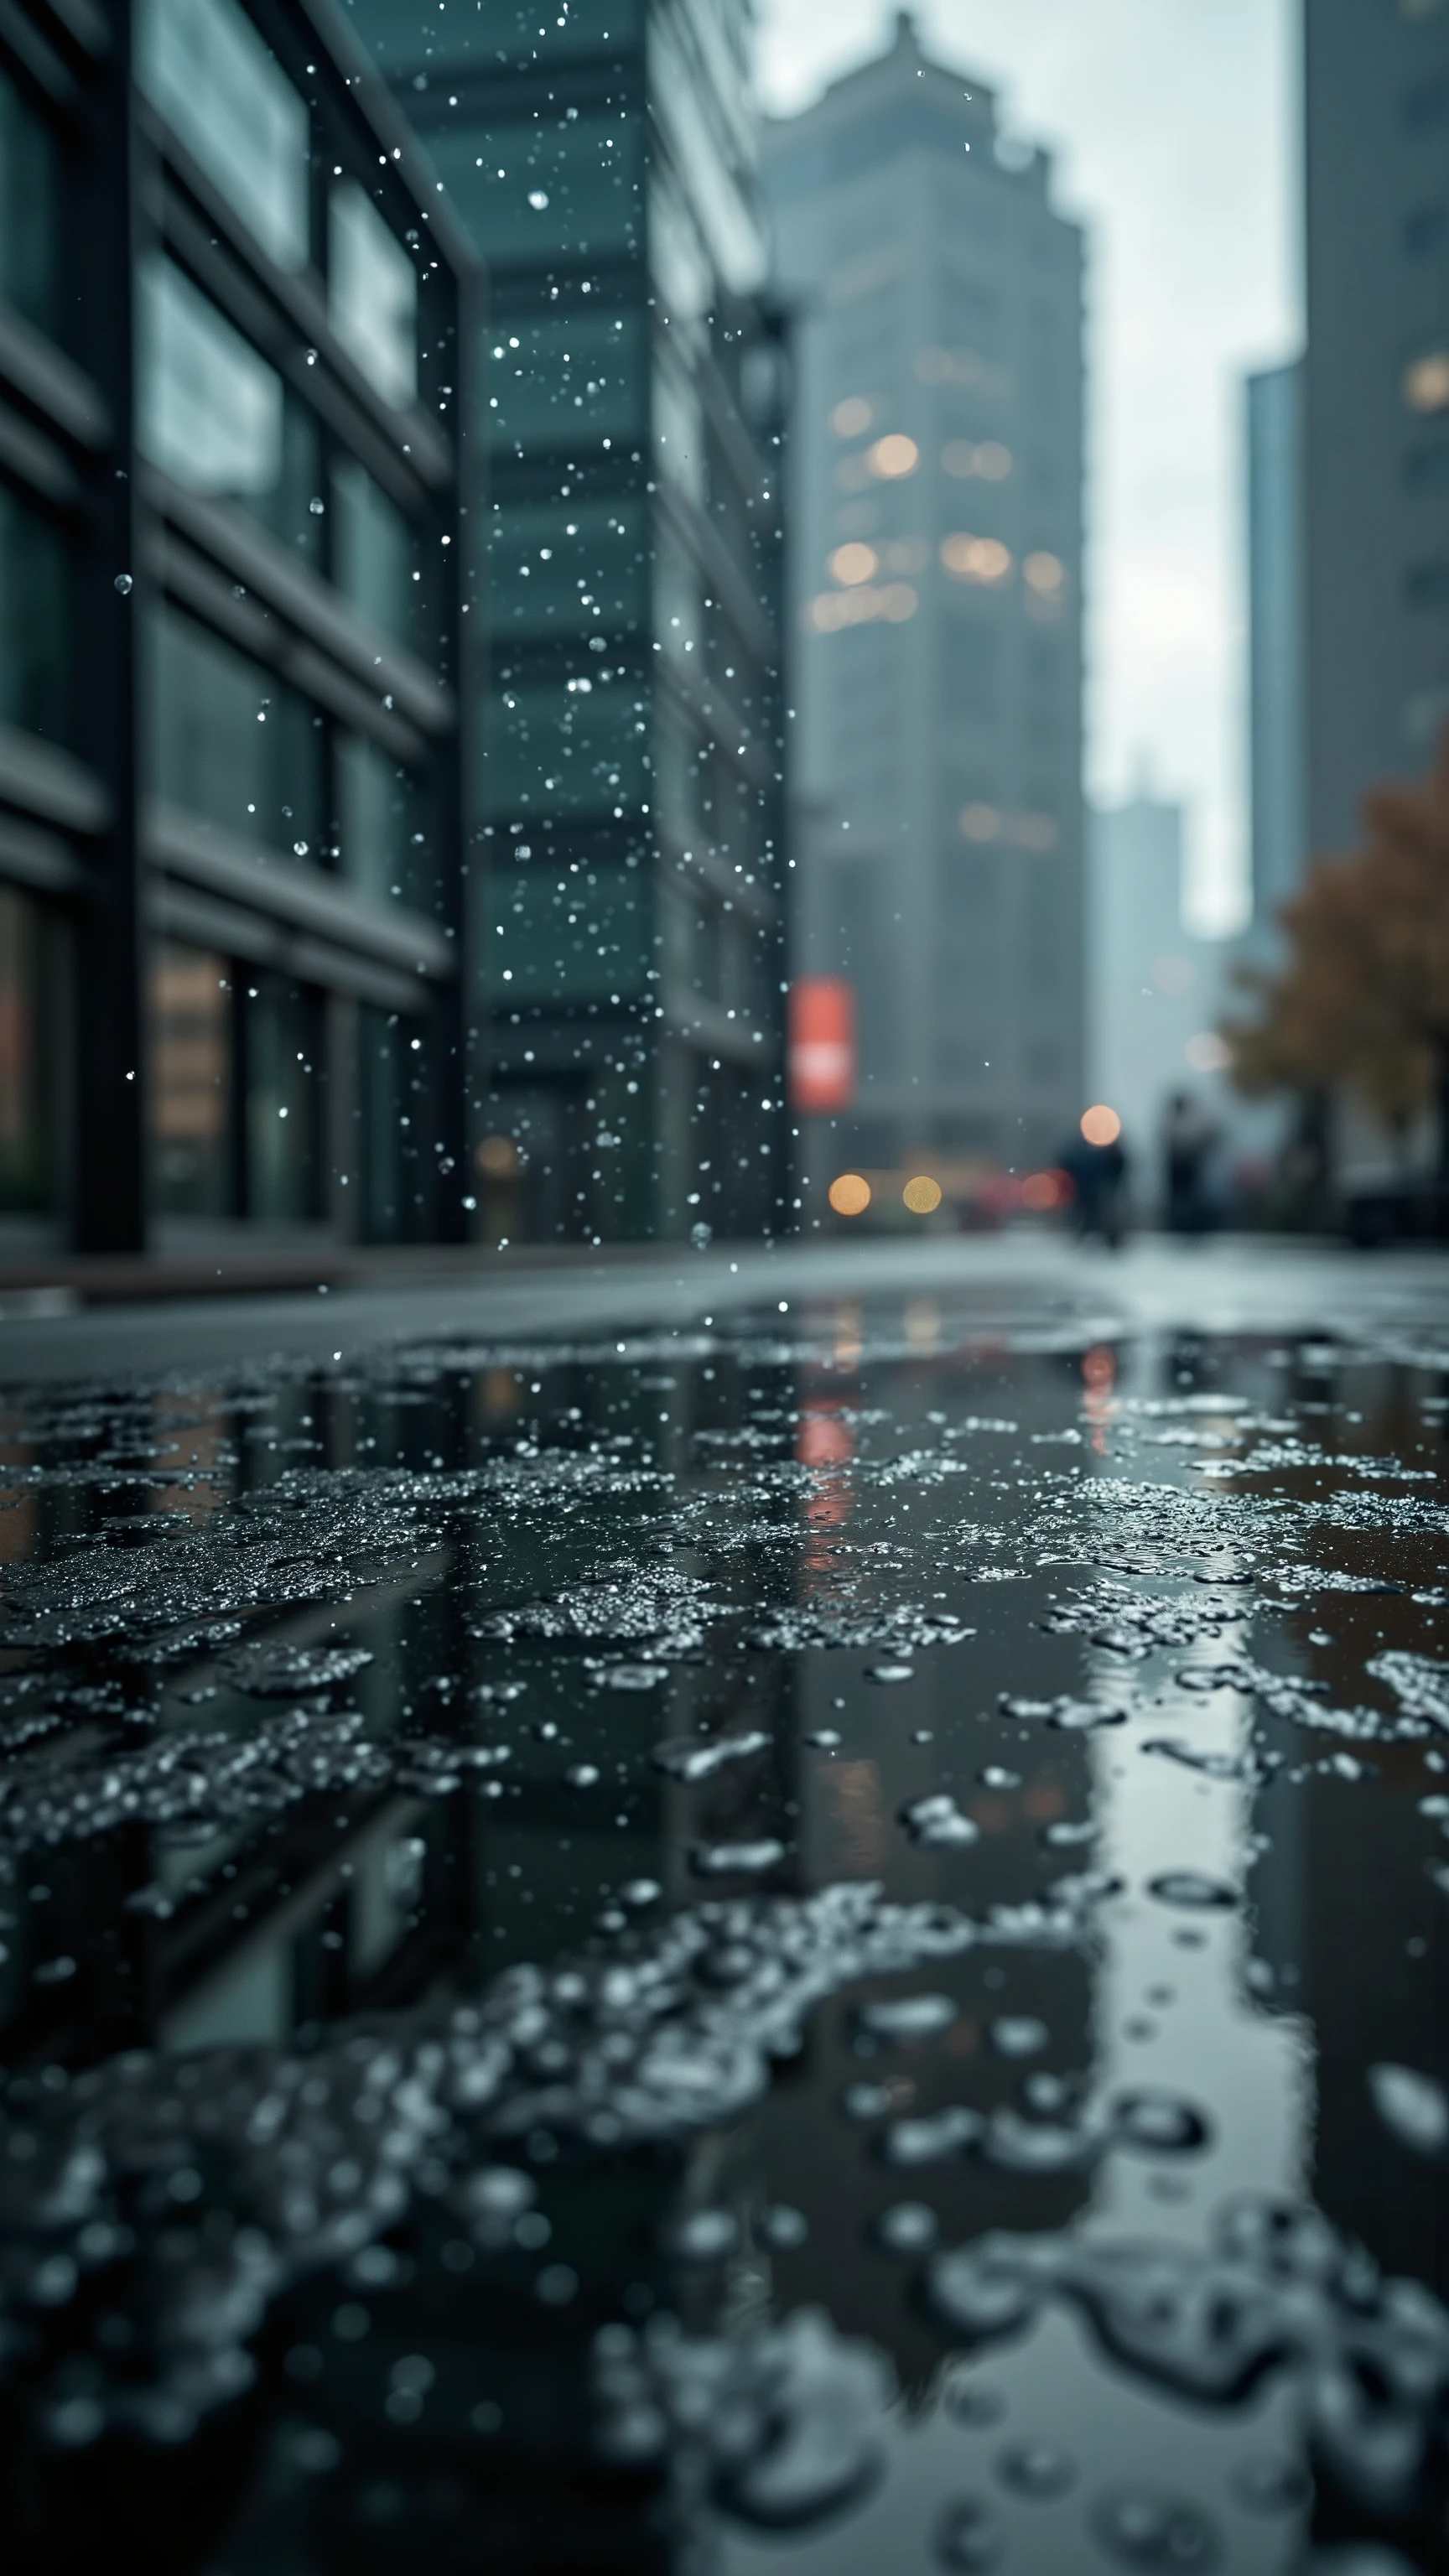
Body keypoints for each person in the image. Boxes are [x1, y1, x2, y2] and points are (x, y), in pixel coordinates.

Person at [1163, 1092, 1217, 1233]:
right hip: (1177, 1170)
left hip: (1188, 1169)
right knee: (1178, 1200)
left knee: (1190, 1198)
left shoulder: (1189, 1123)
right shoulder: (1173, 1123)